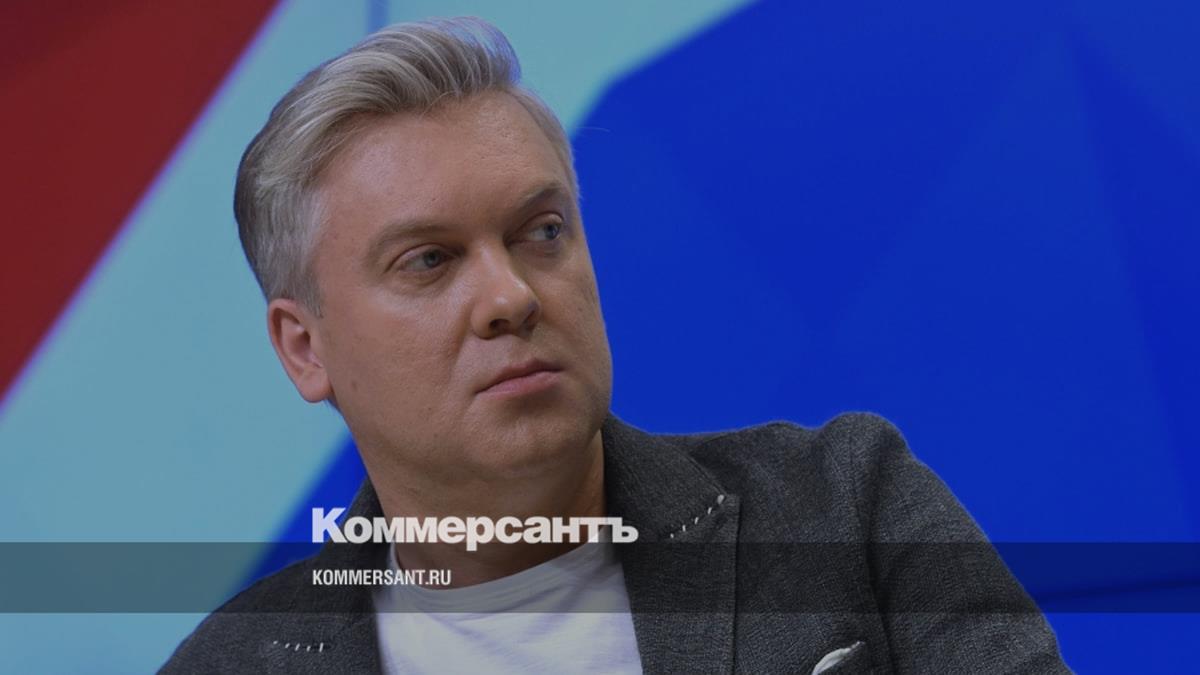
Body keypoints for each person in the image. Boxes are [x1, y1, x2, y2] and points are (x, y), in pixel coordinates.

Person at [163, 17, 1070, 674]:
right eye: (429, 260)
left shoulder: (842, 505)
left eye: (541, 232)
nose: (511, 296)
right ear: (304, 348)